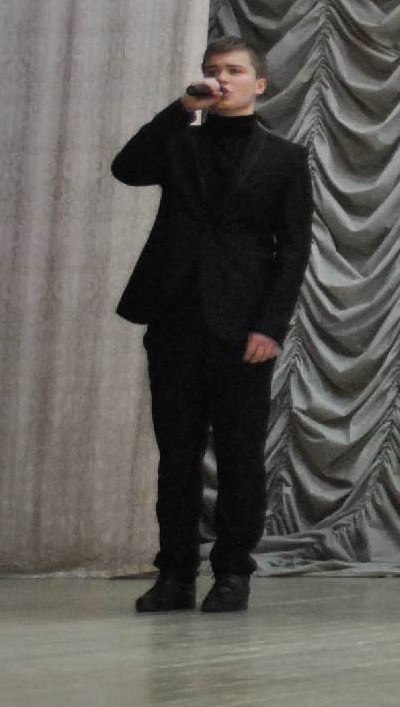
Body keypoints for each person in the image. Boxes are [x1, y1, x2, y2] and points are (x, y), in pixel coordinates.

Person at [110, 35, 313, 614]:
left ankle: (232, 573)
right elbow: (127, 168)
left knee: (240, 456)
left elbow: (293, 250)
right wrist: (182, 108)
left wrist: (270, 326)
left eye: (234, 70)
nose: (221, 78)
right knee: (177, 456)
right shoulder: (181, 142)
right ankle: (175, 574)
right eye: (212, 69)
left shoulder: (285, 158)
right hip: (174, 316)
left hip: (244, 325)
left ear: (259, 84)